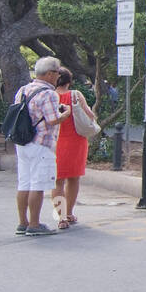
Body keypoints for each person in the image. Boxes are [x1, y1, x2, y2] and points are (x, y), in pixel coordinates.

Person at [14, 56, 71, 236]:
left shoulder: (23, 90)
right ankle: (34, 224)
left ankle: (23, 222)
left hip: (23, 142)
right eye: (56, 72)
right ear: (49, 74)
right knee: (37, 185)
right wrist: (66, 113)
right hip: (42, 143)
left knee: (24, 183)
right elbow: (52, 119)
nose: (57, 76)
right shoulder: (48, 93)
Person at [51, 66, 95, 230]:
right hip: (77, 141)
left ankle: (61, 217)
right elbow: (89, 115)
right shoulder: (76, 95)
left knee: (57, 182)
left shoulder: (51, 96)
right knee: (74, 178)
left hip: (56, 142)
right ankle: (69, 213)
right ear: (69, 81)